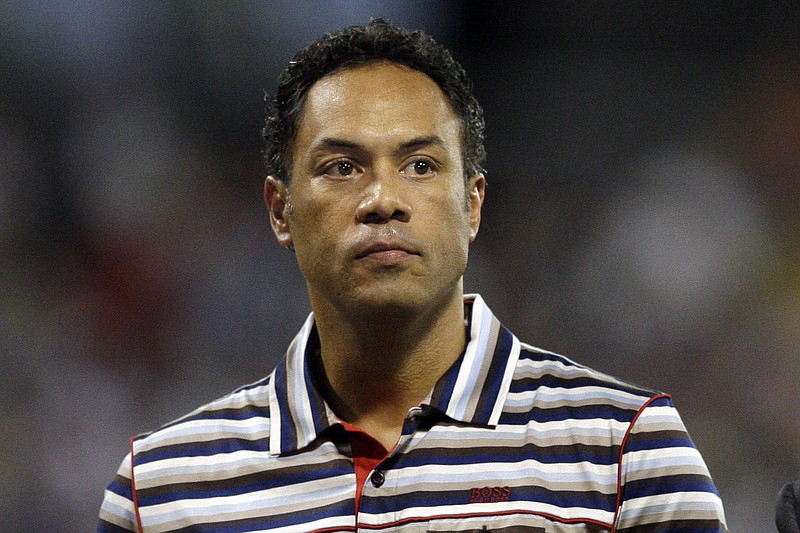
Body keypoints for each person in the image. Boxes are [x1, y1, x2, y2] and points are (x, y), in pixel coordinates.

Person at [97, 19, 728, 532]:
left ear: (473, 204)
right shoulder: (162, 491)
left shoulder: (625, 455)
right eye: (342, 167)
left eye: (421, 165)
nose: (383, 198)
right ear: (280, 210)